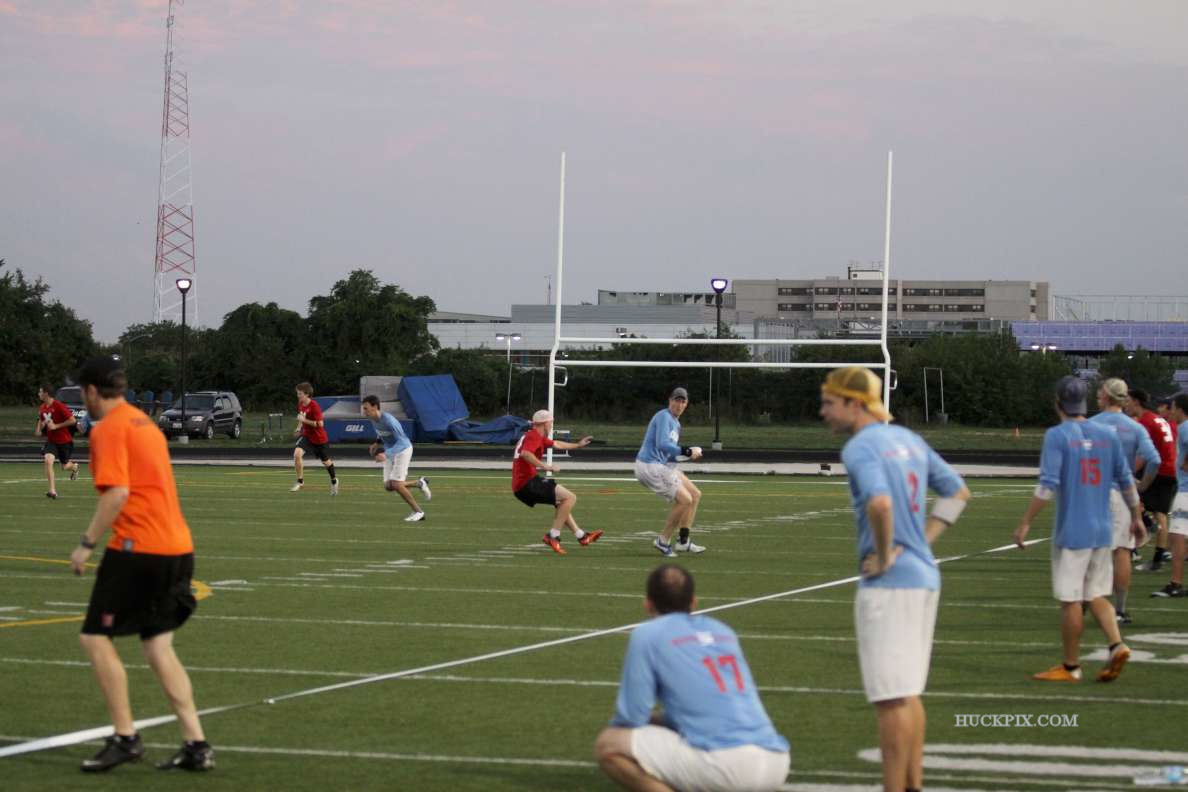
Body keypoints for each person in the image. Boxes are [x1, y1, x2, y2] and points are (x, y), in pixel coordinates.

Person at [819, 366, 969, 792]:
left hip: (891, 584)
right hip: (923, 576)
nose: (823, 411)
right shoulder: (909, 439)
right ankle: (913, 784)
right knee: (907, 693)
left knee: (890, 698)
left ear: (854, 403)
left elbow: (880, 504)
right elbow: (958, 493)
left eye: (829, 402)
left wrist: (885, 557)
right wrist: (920, 541)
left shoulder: (861, 447)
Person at [67, 356, 213, 773]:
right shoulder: (143, 422)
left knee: (96, 638)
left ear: (91, 391)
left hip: (139, 549)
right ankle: (196, 744)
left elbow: (117, 494)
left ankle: (125, 737)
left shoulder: (108, 428)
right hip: (177, 548)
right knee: (157, 645)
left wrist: (86, 544)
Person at [593, 565, 790, 792]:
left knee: (609, 743)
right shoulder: (723, 630)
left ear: (648, 604)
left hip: (725, 765)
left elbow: (633, 715)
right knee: (661, 725)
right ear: (694, 601)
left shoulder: (647, 634)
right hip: (775, 761)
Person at [1015, 375, 1145, 684]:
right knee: (1095, 594)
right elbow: (1126, 480)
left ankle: (1071, 666)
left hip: (1073, 531)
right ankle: (1116, 644)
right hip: (1103, 530)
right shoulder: (1107, 434)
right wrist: (1136, 517)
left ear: (1058, 403)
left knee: (1071, 600)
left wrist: (1025, 522)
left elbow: (1047, 485)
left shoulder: (1057, 435)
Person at [1088, 378, 1159, 623]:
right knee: (1122, 551)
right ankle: (1119, 609)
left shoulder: (1090, 425)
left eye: (1100, 394)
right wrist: (1143, 486)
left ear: (1107, 396)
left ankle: (1089, 600)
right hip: (1122, 493)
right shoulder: (1135, 427)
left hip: (1094, 492)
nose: (1097, 397)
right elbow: (1154, 459)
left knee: (1092, 549)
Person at [512, 409, 601, 554]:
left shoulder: (536, 435)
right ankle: (553, 536)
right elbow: (526, 454)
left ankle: (582, 536)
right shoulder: (534, 436)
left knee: (562, 503)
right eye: (551, 422)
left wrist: (578, 445)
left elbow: (557, 444)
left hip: (524, 484)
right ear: (544, 423)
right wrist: (546, 466)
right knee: (570, 497)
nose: (552, 425)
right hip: (527, 484)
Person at [635, 387, 705, 557]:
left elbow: (669, 453)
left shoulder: (676, 423)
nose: (679, 404)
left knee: (695, 494)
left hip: (661, 464)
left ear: (686, 404)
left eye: (682, 401)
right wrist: (687, 451)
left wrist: (688, 455)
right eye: (676, 400)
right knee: (685, 500)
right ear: (670, 401)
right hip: (649, 465)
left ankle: (683, 541)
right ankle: (663, 540)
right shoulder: (664, 416)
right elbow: (662, 444)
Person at [1125, 389, 1177, 571]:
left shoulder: (1145, 422)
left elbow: (1144, 454)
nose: (1126, 404)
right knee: (1155, 511)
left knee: (1130, 502)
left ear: (1136, 402)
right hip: (1169, 470)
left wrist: (1127, 471)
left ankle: (1142, 543)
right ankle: (1155, 557)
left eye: (1128, 400)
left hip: (1158, 471)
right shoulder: (1157, 419)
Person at [361, 395, 431, 522]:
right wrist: (376, 443)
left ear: (375, 407)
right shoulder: (373, 419)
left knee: (397, 484)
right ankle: (419, 483)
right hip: (390, 451)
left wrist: (386, 454)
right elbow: (381, 432)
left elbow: (402, 442)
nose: (364, 411)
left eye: (366, 408)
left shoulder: (389, 420)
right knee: (388, 486)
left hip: (402, 450)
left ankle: (419, 512)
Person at [1151, 393, 1188, 598]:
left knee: (1177, 537)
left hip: (1186, 490)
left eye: (1172, 407)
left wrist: (1185, 463)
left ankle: (1176, 583)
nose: (1170, 411)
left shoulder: (1185, 427)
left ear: (1180, 409)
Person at [291, 382, 337, 495]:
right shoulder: (301, 404)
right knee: (297, 454)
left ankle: (334, 481)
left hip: (319, 438)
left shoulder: (314, 406)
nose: (298, 395)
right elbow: (301, 418)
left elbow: (320, 424)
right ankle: (300, 482)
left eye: (300, 393)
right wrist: (298, 428)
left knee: (326, 462)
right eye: (297, 393)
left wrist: (304, 420)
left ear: (307, 394)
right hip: (307, 436)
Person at [36, 384, 81, 499]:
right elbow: (41, 421)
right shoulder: (42, 407)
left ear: (46, 393)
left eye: (40, 392)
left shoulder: (59, 406)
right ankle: (52, 491)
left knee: (64, 466)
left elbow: (72, 420)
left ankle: (75, 467)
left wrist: (56, 426)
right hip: (52, 441)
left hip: (64, 441)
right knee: (48, 460)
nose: (39, 394)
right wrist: (39, 429)